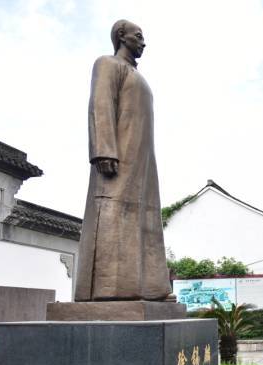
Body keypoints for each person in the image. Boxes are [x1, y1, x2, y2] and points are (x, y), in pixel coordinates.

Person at [75, 19, 172, 301]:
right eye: (138, 36)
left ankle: (151, 287)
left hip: (143, 158)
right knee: (113, 213)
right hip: (118, 154)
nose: (143, 42)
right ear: (122, 37)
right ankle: (109, 290)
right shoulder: (107, 64)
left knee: (147, 216)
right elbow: (100, 104)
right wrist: (103, 149)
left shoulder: (138, 76)